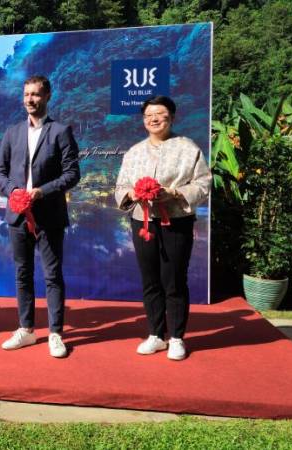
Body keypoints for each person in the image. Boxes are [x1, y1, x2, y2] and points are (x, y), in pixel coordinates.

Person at [114, 95, 211, 361]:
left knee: (175, 279)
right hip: (142, 221)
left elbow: (204, 184)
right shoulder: (134, 152)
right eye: (149, 115)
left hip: (176, 221)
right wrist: (132, 195)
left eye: (160, 114)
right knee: (150, 280)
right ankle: (156, 334)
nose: (154, 119)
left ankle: (177, 337)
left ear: (172, 116)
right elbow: (120, 186)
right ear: (144, 120)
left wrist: (175, 193)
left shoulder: (188, 148)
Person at [0, 75, 81, 358]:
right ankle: (27, 329)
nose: (30, 100)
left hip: (49, 215)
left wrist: (42, 192)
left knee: (53, 275)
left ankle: (56, 332)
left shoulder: (61, 131)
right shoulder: (12, 132)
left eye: (36, 94)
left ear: (47, 97)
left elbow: (72, 174)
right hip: (17, 216)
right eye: (26, 94)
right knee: (23, 274)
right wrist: (14, 192)